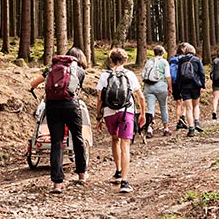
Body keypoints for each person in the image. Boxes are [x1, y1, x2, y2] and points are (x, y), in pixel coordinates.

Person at [28, 46, 88, 193]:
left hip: (52, 107)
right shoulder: (80, 71)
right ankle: (82, 174)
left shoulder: (51, 69)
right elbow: (77, 91)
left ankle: (57, 183)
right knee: (78, 138)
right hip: (71, 106)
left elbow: (33, 84)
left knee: (56, 143)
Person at [95, 48, 146, 194]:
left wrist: (98, 117)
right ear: (125, 60)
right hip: (126, 112)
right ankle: (124, 181)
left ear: (110, 60)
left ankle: (118, 171)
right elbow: (141, 97)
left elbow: (100, 98)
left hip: (109, 113)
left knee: (114, 139)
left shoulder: (104, 75)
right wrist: (142, 114)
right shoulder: (130, 75)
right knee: (125, 145)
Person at [139, 45, 172, 136]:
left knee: (150, 108)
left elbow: (143, 75)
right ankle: (166, 128)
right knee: (163, 107)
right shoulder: (164, 62)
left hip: (149, 87)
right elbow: (167, 76)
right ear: (162, 53)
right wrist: (170, 87)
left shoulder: (149, 61)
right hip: (161, 87)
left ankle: (149, 129)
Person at [177, 44, 206, 135]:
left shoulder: (181, 60)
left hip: (184, 87)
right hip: (195, 86)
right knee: (196, 105)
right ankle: (197, 121)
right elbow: (202, 73)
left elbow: (179, 76)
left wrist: (179, 89)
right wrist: (203, 85)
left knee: (188, 108)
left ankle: (191, 129)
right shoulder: (197, 60)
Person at [169, 43, 186, 131]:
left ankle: (178, 122)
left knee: (178, 103)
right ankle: (183, 116)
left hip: (174, 83)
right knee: (187, 101)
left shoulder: (172, 60)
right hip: (183, 82)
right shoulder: (185, 59)